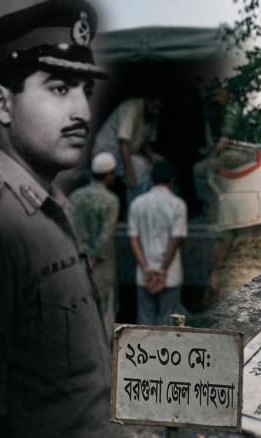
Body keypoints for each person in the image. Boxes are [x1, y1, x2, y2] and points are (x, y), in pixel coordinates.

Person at [0, 1, 115, 436]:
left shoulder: (53, 205)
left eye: (85, 91)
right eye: (58, 87)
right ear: (2, 103)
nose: (83, 113)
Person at [128, 160, 188, 325]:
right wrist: (162, 270)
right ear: (172, 180)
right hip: (170, 274)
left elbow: (133, 238)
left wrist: (146, 268)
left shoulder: (137, 203)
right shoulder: (178, 204)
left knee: (144, 322)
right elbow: (176, 239)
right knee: (168, 323)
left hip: (144, 274)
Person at [69, 152, 120, 335]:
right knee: (103, 316)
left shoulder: (75, 196)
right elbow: (106, 235)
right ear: (108, 175)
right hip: (101, 266)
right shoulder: (111, 200)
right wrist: (95, 257)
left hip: (77, 262)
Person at [92, 95, 162, 205]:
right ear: (148, 100)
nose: (156, 109)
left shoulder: (153, 113)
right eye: (155, 105)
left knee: (156, 163)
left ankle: (147, 206)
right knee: (138, 167)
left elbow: (145, 143)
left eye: (159, 107)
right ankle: (134, 208)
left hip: (128, 152)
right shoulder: (131, 108)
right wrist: (130, 173)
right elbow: (124, 142)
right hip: (108, 150)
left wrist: (154, 159)